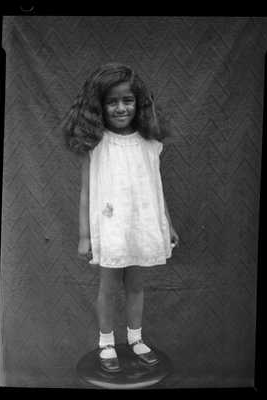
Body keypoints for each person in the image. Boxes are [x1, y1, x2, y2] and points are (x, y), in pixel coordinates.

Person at [62, 63, 179, 373]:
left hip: (142, 226)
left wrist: (168, 224)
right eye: (111, 101)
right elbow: (87, 192)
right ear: (98, 106)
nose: (120, 107)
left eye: (127, 100)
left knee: (137, 286)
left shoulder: (150, 143)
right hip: (111, 228)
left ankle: (136, 338)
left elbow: (156, 188)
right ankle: (106, 341)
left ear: (138, 102)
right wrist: (85, 235)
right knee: (109, 286)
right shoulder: (96, 145)